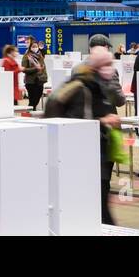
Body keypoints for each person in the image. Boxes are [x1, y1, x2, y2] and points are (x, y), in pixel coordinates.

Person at [45, 46, 122, 224]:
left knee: (100, 196)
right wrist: (103, 121)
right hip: (86, 153)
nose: (111, 67)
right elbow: (76, 123)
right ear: (97, 67)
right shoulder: (81, 87)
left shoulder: (98, 85)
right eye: (107, 64)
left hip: (99, 149)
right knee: (99, 200)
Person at [21, 39, 47, 110]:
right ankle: (30, 113)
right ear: (30, 47)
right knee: (32, 100)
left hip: (40, 80)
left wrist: (44, 76)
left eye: (36, 46)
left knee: (38, 97)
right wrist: (35, 69)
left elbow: (43, 67)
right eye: (33, 46)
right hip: (30, 82)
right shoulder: (26, 56)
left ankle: (31, 111)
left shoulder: (40, 56)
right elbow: (24, 69)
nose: (35, 48)